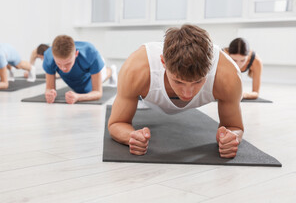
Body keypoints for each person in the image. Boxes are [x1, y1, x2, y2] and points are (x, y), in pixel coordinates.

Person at [108, 24, 244, 159]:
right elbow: (117, 123)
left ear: (210, 68)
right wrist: (130, 136)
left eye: (198, 81)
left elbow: (234, 126)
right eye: (178, 82)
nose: (188, 94)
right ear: (163, 62)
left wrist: (231, 138)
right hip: (148, 99)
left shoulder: (228, 75)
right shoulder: (136, 69)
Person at [43, 35, 117, 104]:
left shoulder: (90, 53)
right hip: (76, 76)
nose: (63, 68)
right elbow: (49, 88)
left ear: (76, 54)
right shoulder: (48, 57)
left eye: (67, 63)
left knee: (101, 77)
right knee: (82, 90)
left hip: (90, 68)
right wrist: (49, 94)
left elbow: (97, 92)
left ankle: (111, 70)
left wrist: (78, 97)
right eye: (58, 63)